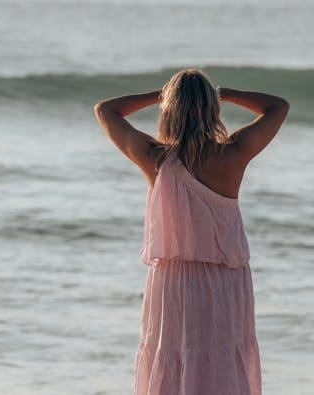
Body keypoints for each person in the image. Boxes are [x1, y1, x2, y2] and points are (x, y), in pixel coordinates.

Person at [94, 68, 289, 395]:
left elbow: (105, 110)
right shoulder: (234, 153)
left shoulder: (155, 158)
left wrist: (161, 94)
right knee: (224, 356)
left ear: (170, 109)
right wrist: (223, 93)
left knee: (175, 355)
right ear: (212, 110)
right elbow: (278, 106)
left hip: (174, 281)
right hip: (225, 280)